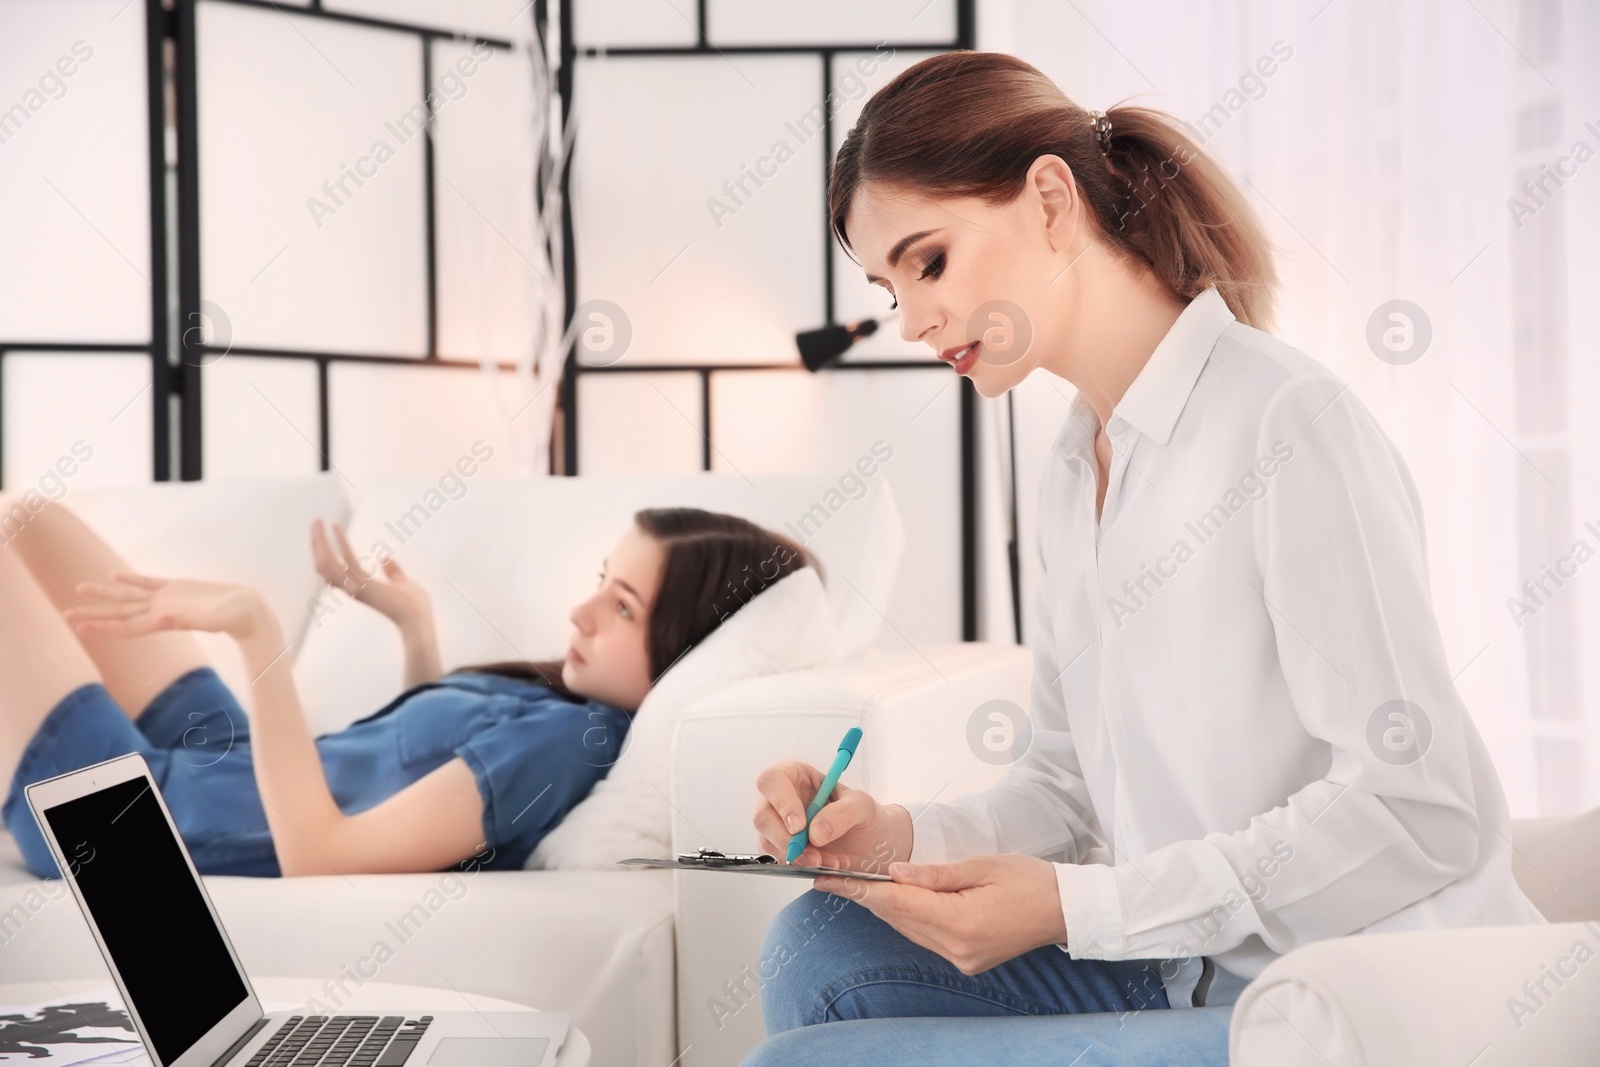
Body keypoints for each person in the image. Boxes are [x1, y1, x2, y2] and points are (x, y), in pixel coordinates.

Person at [745, 50, 1542, 1065]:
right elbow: (1064, 789)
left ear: (1047, 199)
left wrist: (1090, 904)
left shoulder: (1284, 423)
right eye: (885, 285)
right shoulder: (1074, 469)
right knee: (818, 943)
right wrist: (886, 834)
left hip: (1350, 1000)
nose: (910, 321)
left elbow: (1417, 807)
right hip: (1194, 965)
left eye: (929, 260)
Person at [0, 498, 816, 879]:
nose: (583, 608)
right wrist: (415, 630)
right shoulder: (565, 710)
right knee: (27, 517)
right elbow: (419, 782)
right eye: (604, 579)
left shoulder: (566, 746)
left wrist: (255, 631)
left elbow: (323, 855)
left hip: (138, 824)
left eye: (623, 606)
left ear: (683, 649)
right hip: (223, 760)